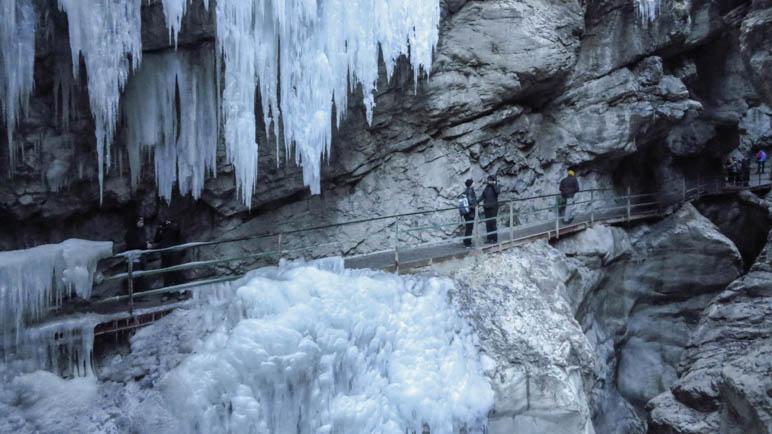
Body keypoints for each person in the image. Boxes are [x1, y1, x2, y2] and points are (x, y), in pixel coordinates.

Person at [124, 216, 151, 292]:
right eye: (139, 221)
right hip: (134, 257)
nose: (141, 222)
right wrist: (145, 245)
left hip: (142, 256)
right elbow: (132, 245)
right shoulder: (130, 232)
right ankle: (132, 295)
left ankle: (140, 295)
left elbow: (144, 241)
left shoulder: (142, 230)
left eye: (142, 221)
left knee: (142, 276)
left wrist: (147, 244)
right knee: (134, 276)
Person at [154, 218, 184, 287]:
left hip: (174, 253)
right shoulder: (162, 229)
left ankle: (182, 291)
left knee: (176, 271)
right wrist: (159, 229)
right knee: (166, 272)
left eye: (168, 221)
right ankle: (167, 292)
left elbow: (178, 235)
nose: (167, 223)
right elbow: (156, 240)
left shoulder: (174, 229)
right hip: (165, 253)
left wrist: (172, 225)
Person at [479, 175, 501, 243]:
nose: (488, 181)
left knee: (493, 223)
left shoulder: (496, 187)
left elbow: (498, 192)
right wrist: (476, 202)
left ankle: (494, 239)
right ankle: (489, 238)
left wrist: (494, 184)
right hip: (486, 207)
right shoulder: (487, 187)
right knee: (488, 223)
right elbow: (483, 195)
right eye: (488, 180)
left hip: (493, 208)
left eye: (489, 180)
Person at [459, 178, 477, 247]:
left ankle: (466, 241)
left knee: (468, 227)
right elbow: (471, 202)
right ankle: (467, 243)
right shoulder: (470, 191)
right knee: (469, 227)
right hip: (470, 213)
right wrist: (475, 204)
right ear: (471, 184)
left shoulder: (466, 191)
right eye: (473, 182)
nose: (474, 183)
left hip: (466, 213)